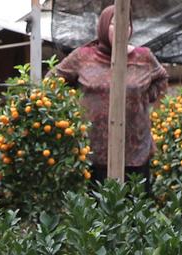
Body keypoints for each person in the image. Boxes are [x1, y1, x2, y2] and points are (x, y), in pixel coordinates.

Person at [50, 6, 168, 187]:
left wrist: (144, 98)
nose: (122, 29)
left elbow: (161, 78)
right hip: (93, 151)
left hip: (135, 151)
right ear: (104, 26)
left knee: (135, 208)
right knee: (95, 209)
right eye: (114, 24)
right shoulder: (84, 56)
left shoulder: (143, 57)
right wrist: (70, 107)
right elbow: (52, 81)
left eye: (126, 24)